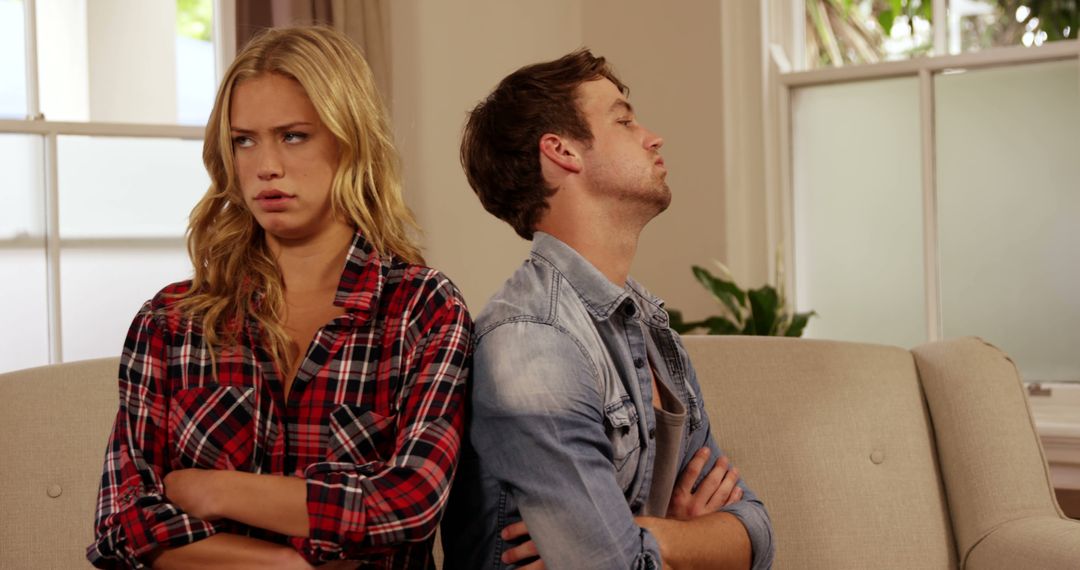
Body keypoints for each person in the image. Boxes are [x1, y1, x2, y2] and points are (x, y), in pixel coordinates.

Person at [87, 26, 471, 569]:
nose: (266, 165)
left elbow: (410, 504)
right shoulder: (171, 321)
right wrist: (291, 566)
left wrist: (215, 490)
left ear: (350, 139)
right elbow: (121, 525)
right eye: (244, 140)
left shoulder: (422, 309)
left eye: (293, 136)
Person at [441, 49, 774, 569]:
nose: (653, 137)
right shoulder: (532, 341)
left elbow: (757, 533)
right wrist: (692, 542)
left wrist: (650, 535)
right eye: (624, 120)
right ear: (562, 151)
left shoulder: (649, 326)